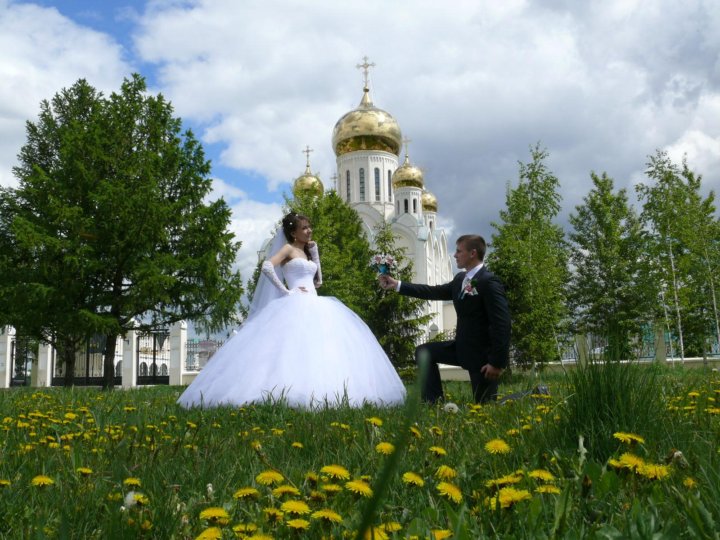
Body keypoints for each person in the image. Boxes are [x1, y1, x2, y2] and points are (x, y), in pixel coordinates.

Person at [178, 212, 406, 408]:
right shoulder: (287, 249)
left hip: (315, 302)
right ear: (293, 232)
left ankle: (324, 391)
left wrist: (315, 254)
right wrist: (285, 290)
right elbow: (267, 265)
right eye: (304, 228)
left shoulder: (308, 251)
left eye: (309, 227)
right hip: (295, 301)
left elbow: (318, 282)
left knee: (321, 349)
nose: (309, 231)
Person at [379, 234, 510, 404]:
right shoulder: (460, 279)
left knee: (486, 407)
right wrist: (397, 284)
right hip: (461, 349)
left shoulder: (489, 282)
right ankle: (434, 403)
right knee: (424, 352)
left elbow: (502, 323)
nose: (454, 255)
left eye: (458, 251)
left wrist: (496, 362)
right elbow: (432, 292)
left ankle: (531, 394)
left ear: (473, 253)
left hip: (482, 359)